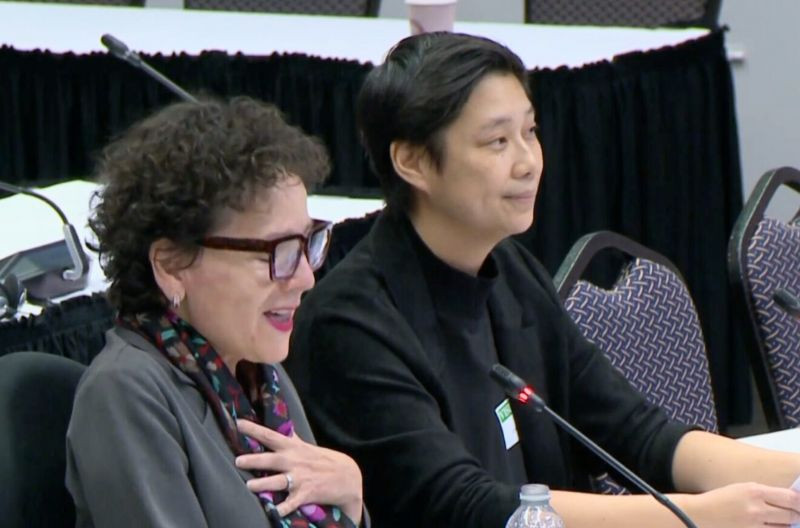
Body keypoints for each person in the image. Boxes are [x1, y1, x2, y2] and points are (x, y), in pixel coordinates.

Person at [284, 32, 800, 528]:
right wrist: (699, 517)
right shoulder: (350, 325)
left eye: (530, 132)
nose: (528, 162)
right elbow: (465, 507)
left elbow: (638, 432)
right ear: (412, 161)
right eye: (497, 141)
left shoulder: (509, 271)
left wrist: (789, 479)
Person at [65, 97, 365, 527]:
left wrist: (352, 498)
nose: (305, 277)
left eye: (306, 243)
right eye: (277, 252)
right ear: (172, 265)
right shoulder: (124, 394)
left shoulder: (259, 376)